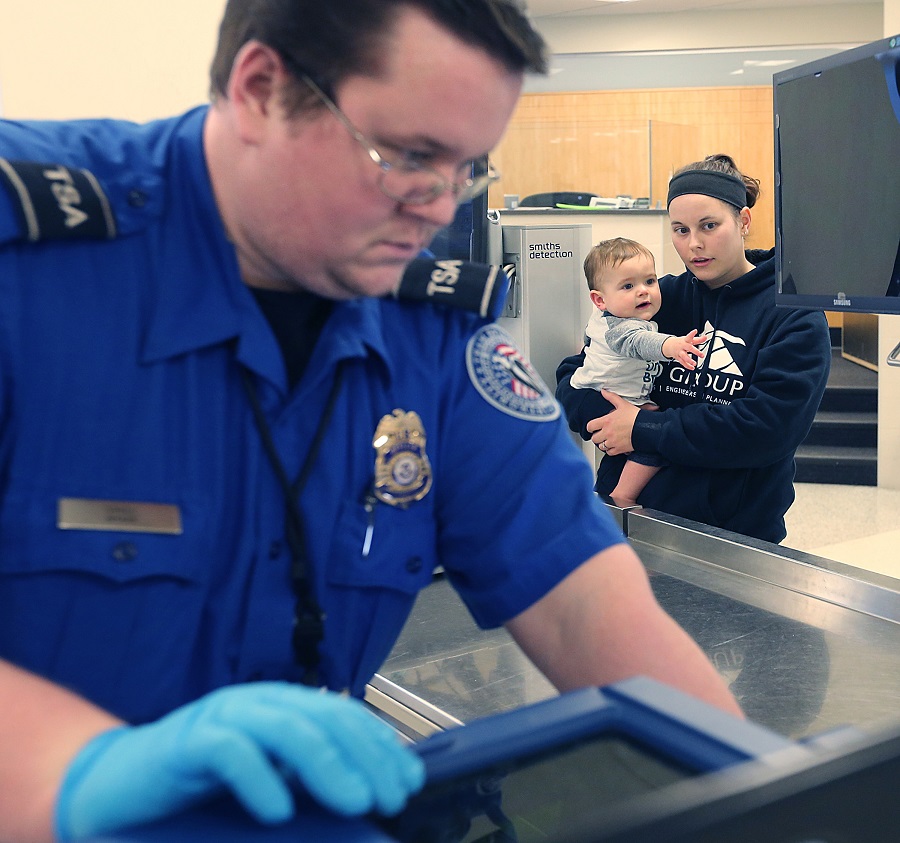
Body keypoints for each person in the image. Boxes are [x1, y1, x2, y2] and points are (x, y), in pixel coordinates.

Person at [0, 5, 742, 842]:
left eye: (466, 169)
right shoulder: (29, 260)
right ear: (261, 90)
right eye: (410, 157)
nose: (435, 209)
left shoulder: (433, 333)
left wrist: (762, 797)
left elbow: (584, 606)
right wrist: (76, 770)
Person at [557, 154, 832, 544]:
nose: (694, 244)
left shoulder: (795, 316)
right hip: (628, 518)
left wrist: (643, 428)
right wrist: (608, 420)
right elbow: (575, 374)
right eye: (680, 230)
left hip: (734, 536)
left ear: (743, 221)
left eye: (709, 226)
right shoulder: (657, 298)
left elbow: (766, 429)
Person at [570, 237, 705, 504]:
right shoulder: (621, 326)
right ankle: (623, 497)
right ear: (600, 300)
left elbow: (588, 341)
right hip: (605, 397)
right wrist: (672, 345)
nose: (643, 291)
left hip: (612, 393)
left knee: (647, 431)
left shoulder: (605, 319)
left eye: (650, 281)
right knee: (652, 445)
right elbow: (638, 342)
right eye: (628, 286)